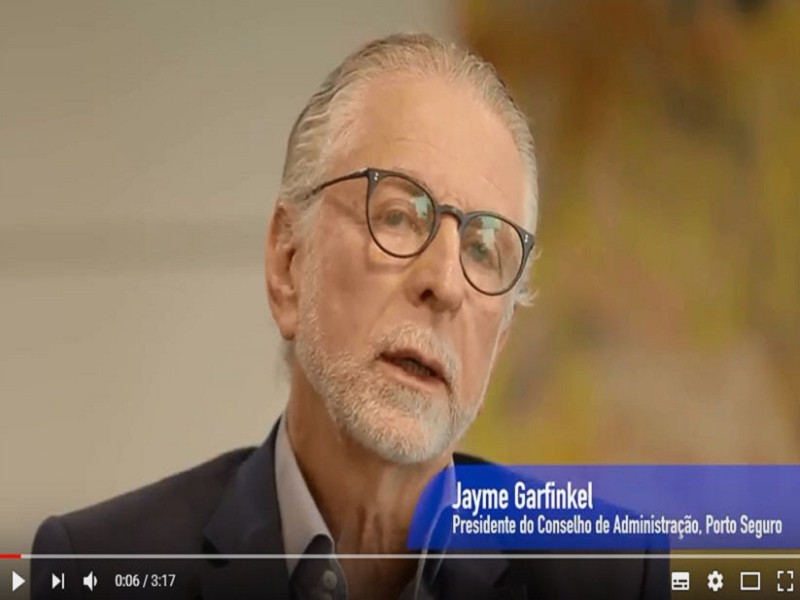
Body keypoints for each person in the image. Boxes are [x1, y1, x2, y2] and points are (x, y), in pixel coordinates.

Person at [32, 33, 667, 600]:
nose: (445, 284)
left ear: (499, 340)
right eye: (399, 216)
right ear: (288, 263)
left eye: (483, 249)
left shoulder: (609, 575)